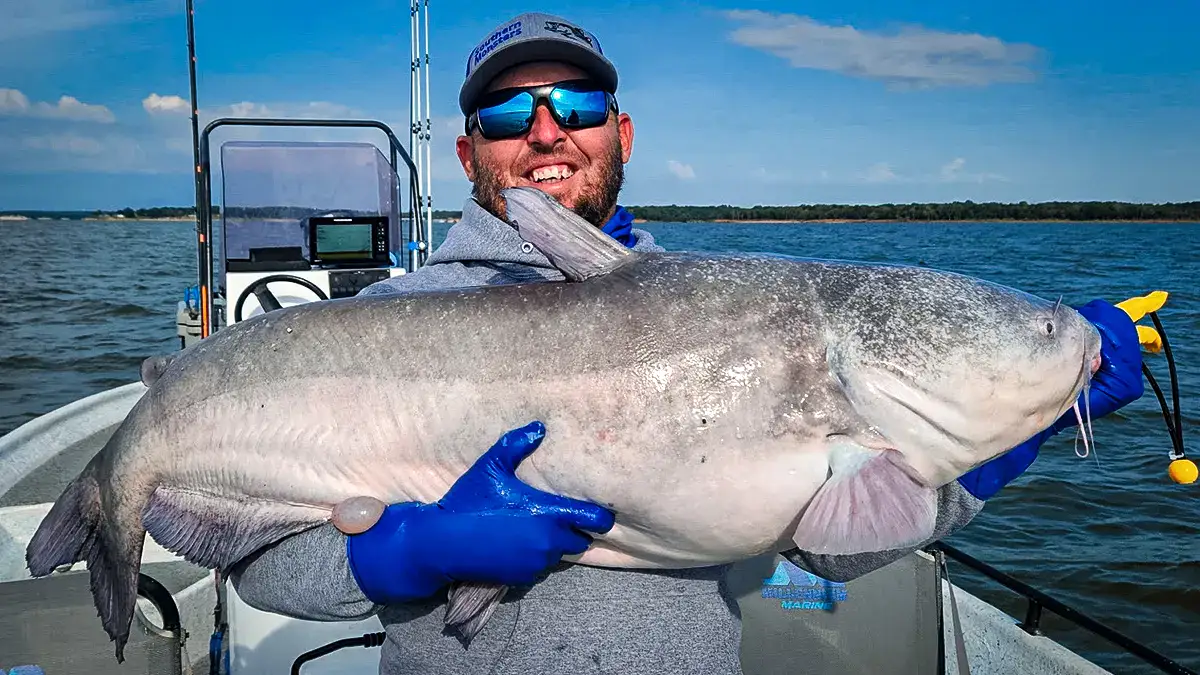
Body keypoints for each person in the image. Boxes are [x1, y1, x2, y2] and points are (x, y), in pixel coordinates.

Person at [227, 11, 1146, 673]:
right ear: (470, 156)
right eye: (509, 118)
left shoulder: (749, 310)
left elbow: (831, 544)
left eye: (575, 106)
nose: (546, 133)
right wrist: (406, 553)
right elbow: (260, 565)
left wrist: (1017, 431)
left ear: (619, 133)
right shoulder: (378, 324)